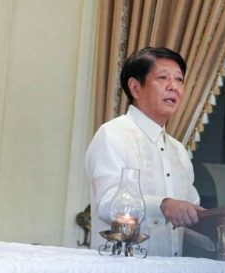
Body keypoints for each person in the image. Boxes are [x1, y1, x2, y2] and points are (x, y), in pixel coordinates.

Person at [85, 47, 201, 257]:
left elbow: (189, 211)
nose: (173, 87)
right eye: (163, 78)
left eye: (179, 79)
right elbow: (108, 203)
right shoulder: (112, 135)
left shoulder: (179, 151)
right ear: (135, 88)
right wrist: (163, 206)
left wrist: (215, 221)